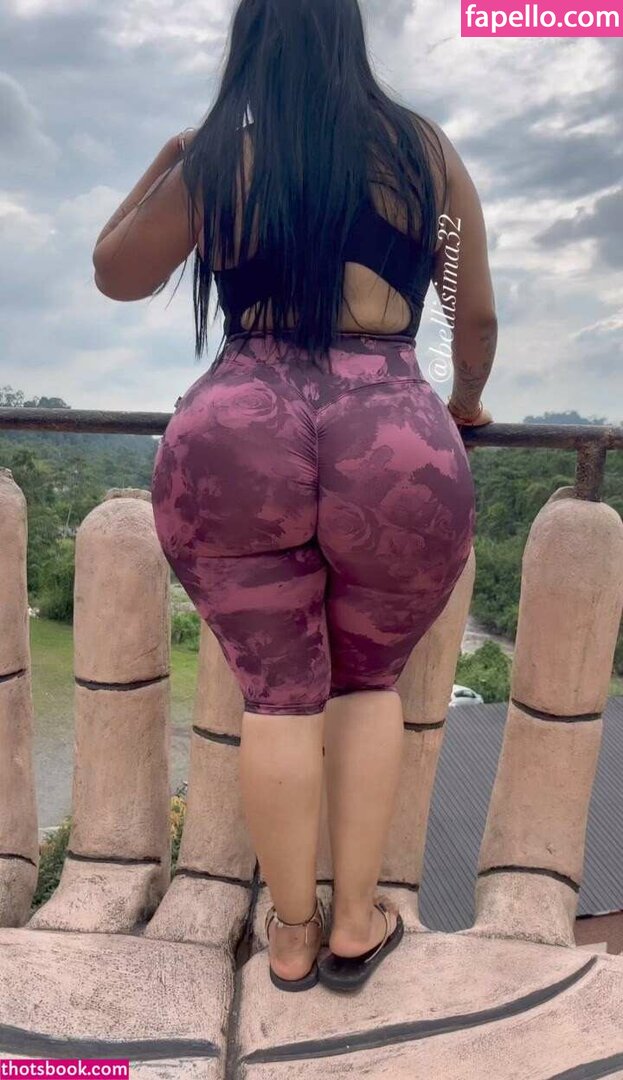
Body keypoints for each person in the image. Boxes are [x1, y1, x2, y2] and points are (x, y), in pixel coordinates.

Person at [92, 0, 496, 994]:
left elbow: (115, 273)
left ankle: (288, 936)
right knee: (367, 685)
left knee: (277, 696)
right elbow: (471, 314)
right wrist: (463, 404)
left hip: (238, 433)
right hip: (391, 432)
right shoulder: (426, 152)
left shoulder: (218, 162)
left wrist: (170, 157)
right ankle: (356, 924)